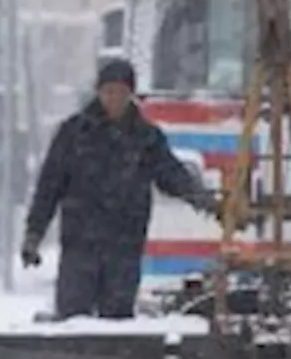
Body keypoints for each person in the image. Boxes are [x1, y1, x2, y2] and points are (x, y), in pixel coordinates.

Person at [20, 58, 218, 320]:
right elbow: (49, 187)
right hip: (80, 244)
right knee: (72, 320)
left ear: (131, 95)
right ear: (98, 92)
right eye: (108, 91)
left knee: (117, 323)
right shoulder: (73, 134)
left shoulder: (146, 138)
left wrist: (204, 200)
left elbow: (172, 175)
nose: (114, 98)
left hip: (124, 245)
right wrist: (34, 234)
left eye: (121, 92)